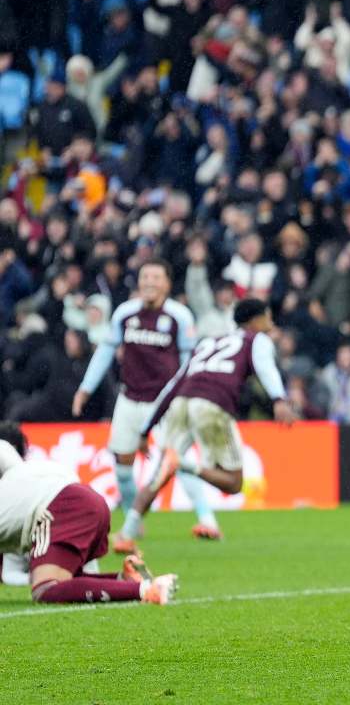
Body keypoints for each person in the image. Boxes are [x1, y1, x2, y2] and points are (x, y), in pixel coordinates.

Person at [113, 299, 297, 551]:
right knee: (233, 483)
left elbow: (174, 384)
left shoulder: (208, 342)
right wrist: (279, 399)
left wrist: (146, 429)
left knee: (159, 475)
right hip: (212, 404)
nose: (271, 323)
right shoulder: (256, 339)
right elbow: (266, 368)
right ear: (255, 320)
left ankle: (126, 535)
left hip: (181, 402)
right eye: (268, 317)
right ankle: (184, 464)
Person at [71, 259, 222, 541]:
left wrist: (189, 394)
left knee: (176, 459)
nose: (149, 282)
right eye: (145, 277)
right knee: (122, 465)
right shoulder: (125, 313)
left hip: (165, 402)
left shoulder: (179, 316)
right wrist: (85, 388)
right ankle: (133, 523)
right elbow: (106, 351)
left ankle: (207, 520)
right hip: (129, 398)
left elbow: (189, 361)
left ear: (167, 283)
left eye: (156, 277)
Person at [0, 421, 177, 605]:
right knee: (65, 579)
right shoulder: (24, 475)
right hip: (90, 500)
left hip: (60, 508)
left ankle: (147, 590)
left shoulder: (10, 496)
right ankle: (125, 580)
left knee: (46, 588)